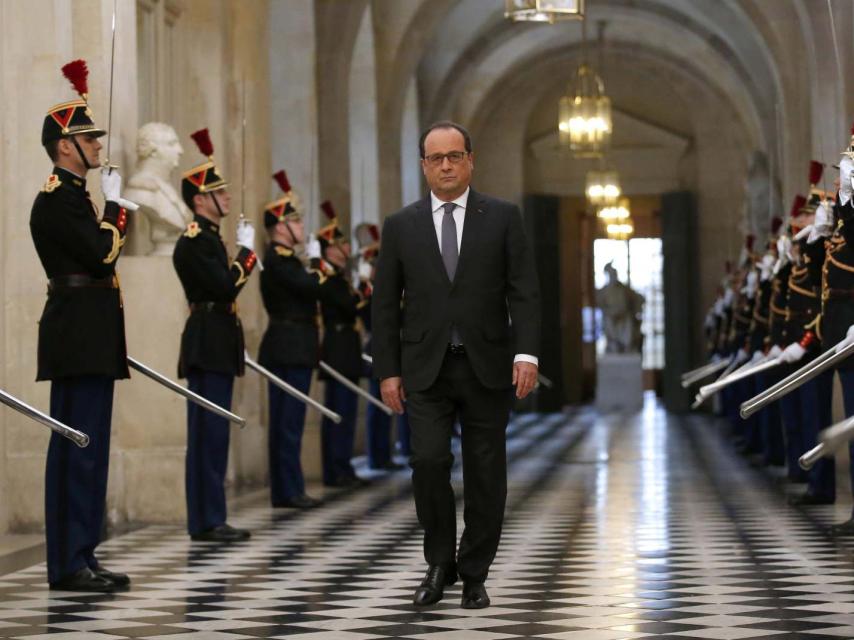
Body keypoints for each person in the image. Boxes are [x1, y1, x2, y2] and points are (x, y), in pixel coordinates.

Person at [372, 121, 540, 609]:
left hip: (487, 365)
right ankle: (439, 561)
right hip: (425, 367)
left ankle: (474, 571)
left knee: (487, 472)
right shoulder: (401, 225)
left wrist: (525, 353)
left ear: (470, 159)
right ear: (424, 166)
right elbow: (385, 305)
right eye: (435, 158)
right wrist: (388, 370)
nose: (445, 165)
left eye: (454, 155)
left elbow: (524, 291)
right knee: (427, 461)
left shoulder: (502, 217)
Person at [30, 59, 136, 592]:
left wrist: (109, 207)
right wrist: (116, 209)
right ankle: (67, 562)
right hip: (76, 338)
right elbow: (100, 256)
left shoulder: (76, 198)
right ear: (65, 144)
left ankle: (83, 553)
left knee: (89, 451)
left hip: (91, 337)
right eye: (89, 138)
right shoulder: (56, 201)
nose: (98, 146)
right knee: (76, 448)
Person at [173, 128, 258, 542]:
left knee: (215, 432)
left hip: (218, 340)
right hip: (207, 340)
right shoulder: (194, 241)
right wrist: (246, 257)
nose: (226, 198)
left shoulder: (209, 240)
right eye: (218, 192)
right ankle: (206, 520)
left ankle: (212, 516)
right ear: (200, 199)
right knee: (207, 434)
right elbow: (224, 288)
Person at [258, 170, 333, 508]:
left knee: (292, 421)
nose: (302, 228)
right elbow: (312, 287)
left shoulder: (289, 260)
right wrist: (318, 262)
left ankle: (290, 487)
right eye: (297, 223)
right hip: (287, 344)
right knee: (287, 423)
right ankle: (287, 490)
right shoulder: (278, 259)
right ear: (281, 227)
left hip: (297, 344)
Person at [316, 202, 372, 487]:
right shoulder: (328, 279)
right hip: (337, 347)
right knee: (338, 410)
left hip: (348, 347)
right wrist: (364, 285)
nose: (346, 250)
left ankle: (343, 465)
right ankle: (335, 468)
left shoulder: (340, 279)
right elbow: (348, 306)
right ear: (329, 249)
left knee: (347, 411)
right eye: (340, 246)